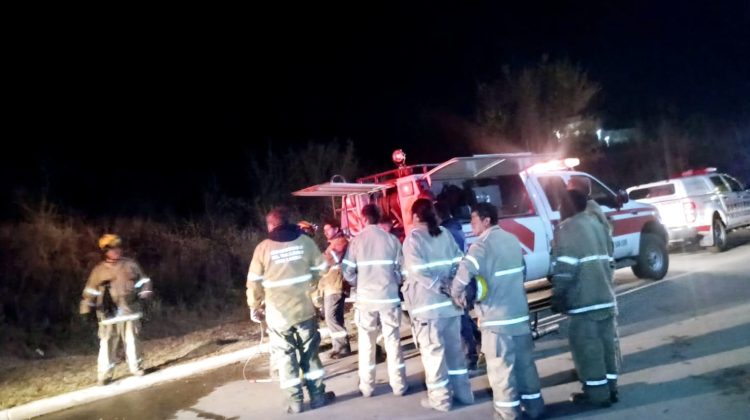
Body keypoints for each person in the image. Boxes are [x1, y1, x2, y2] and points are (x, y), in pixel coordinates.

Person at [452, 203, 545, 419]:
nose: (471, 224)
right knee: (525, 367)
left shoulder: (480, 246)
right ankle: (535, 408)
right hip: (519, 316)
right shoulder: (512, 240)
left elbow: (463, 274)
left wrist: (456, 293)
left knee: (501, 372)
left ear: (486, 220)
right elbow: (522, 271)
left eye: (474, 220)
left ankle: (507, 414)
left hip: (496, 321)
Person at [247, 207, 335, 414]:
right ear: (288, 222)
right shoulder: (305, 242)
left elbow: (254, 283)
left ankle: (295, 403)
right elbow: (322, 269)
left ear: (270, 225)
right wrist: (311, 284)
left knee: (286, 359)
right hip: (304, 310)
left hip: (278, 316)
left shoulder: (263, 248)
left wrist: (254, 305)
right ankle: (318, 397)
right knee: (310, 356)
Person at [401, 198, 474, 412]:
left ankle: (441, 400)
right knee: (454, 352)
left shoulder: (413, 239)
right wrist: (453, 287)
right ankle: (464, 394)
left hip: (428, 308)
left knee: (433, 355)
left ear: (415, 216)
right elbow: (459, 262)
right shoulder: (444, 234)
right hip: (450, 307)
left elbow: (418, 271)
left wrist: (441, 287)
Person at [551, 190, 619, 408]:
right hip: (605, 297)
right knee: (607, 348)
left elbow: (565, 269)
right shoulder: (598, 225)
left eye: (561, 203)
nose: (559, 208)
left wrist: (558, 295)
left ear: (569, 205)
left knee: (588, 352)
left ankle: (597, 396)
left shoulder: (567, 229)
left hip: (584, 302)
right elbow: (610, 260)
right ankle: (611, 389)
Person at [342, 204, 408, 397]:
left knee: (366, 343)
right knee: (393, 341)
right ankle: (399, 386)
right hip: (388, 297)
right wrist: (393, 282)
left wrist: (359, 283)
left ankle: (368, 387)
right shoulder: (391, 240)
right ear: (379, 218)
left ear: (363, 219)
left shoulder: (356, 242)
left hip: (365, 300)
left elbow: (347, 272)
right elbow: (402, 271)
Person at [79, 234, 153, 385]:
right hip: (108, 315)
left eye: (118, 247)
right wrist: (86, 310)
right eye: (112, 249)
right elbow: (90, 292)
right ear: (105, 251)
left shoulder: (130, 265)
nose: (116, 251)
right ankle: (105, 375)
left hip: (130, 312)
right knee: (107, 344)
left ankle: (136, 368)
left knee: (133, 341)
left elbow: (144, 281)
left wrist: (144, 295)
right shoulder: (98, 271)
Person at [436, 201, 479, 371]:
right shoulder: (455, 229)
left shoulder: (447, 233)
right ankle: (476, 343)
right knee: (464, 317)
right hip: (460, 280)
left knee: (461, 320)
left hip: (455, 282)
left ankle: (471, 356)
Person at [319, 219, 351, 358]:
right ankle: (340, 346)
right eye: (324, 230)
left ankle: (341, 346)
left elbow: (326, 261)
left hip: (336, 285)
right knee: (335, 317)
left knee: (331, 317)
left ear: (336, 228)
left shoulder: (340, 243)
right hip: (332, 285)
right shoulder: (334, 244)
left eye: (328, 229)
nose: (325, 233)